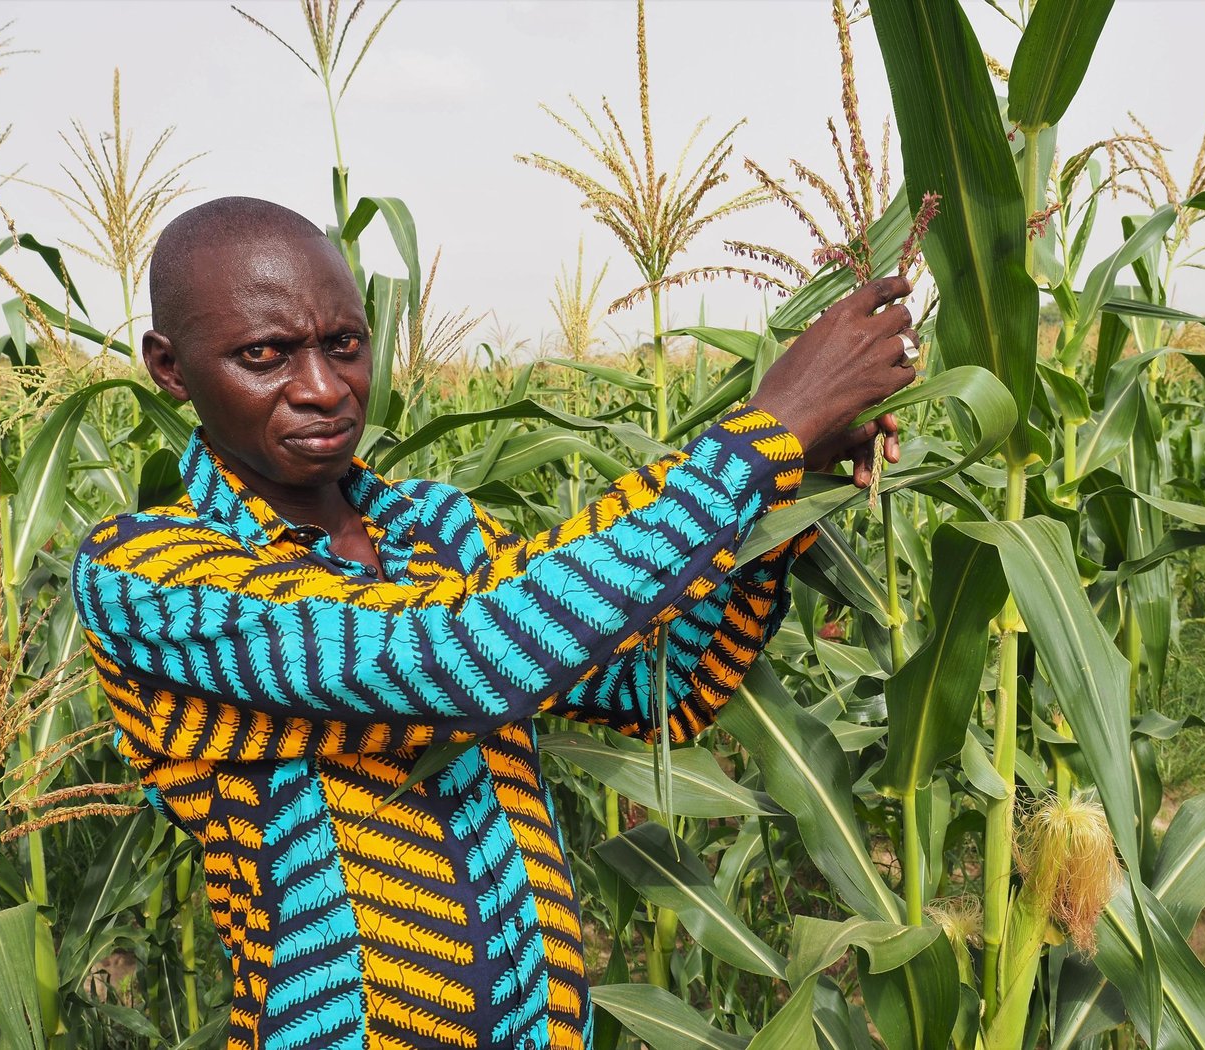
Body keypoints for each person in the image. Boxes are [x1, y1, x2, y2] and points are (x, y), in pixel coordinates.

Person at [71, 197, 920, 1050]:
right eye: (264, 356)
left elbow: (658, 684)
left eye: (344, 345)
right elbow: (454, 659)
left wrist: (785, 489)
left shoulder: (438, 529)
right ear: (170, 368)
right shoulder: (147, 573)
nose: (324, 388)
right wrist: (757, 441)